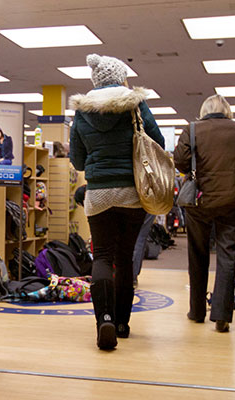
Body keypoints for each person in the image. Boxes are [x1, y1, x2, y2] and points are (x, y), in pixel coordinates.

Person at [70, 54, 164, 350]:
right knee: (124, 258)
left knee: (102, 257)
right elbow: (157, 141)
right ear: (121, 76)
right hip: (131, 193)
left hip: (97, 195)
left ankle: (104, 320)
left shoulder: (82, 113)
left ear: (95, 80)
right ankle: (122, 323)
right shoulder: (136, 104)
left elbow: (78, 160)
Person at [173, 94, 235, 333]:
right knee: (227, 256)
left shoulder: (193, 129)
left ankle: (197, 311)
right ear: (226, 110)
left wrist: (198, 167)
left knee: (197, 255)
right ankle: (221, 316)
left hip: (200, 201)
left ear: (204, 110)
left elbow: (180, 161)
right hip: (233, 202)